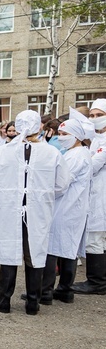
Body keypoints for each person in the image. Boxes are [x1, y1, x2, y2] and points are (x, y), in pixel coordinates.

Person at [0, 110, 71, 315]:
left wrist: (5, 195)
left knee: (9, 251)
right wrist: (42, 196)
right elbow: (62, 184)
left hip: (9, 210)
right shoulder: (51, 152)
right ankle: (33, 303)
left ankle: (3, 301)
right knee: (35, 253)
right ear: (38, 126)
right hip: (38, 211)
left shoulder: (3, 152)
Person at [38, 110, 94, 303]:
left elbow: (60, 183)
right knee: (67, 248)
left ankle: (44, 292)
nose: (61, 138)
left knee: (52, 247)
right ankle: (65, 290)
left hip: (64, 208)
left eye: (65, 135)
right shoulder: (78, 153)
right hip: (73, 208)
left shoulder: (75, 156)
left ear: (77, 136)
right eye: (60, 134)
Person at [72, 98, 106, 294]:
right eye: (92, 115)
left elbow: (92, 166)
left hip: (100, 195)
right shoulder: (98, 139)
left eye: (99, 115)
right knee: (99, 238)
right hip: (97, 193)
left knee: (94, 239)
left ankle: (96, 282)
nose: (94, 119)